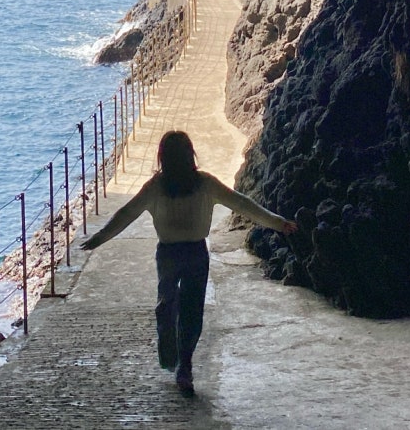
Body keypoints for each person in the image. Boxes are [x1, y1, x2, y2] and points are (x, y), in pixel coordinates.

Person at [80, 129, 297, 396]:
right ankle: (184, 364)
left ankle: (178, 361)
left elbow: (126, 214)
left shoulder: (166, 186)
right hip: (191, 253)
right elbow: (244, 205)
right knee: (189, 311)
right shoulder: (198, 184)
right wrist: (279, 222)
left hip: (174, 252)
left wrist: (100, 238)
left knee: (169, 307)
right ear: (189, 155)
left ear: (163, 158)